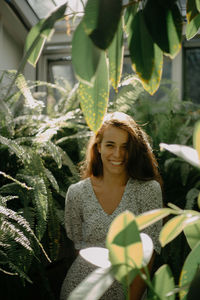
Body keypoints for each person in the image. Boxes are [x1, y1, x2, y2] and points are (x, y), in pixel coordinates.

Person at [60, 112, 163, 300]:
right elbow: (79, 249)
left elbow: (148, 256)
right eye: (110, 145)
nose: (118, 154)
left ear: (134, 149)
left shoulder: (148, 190)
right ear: (98, 146)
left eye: (125, 147)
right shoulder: (76, 193)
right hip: (81, 290)